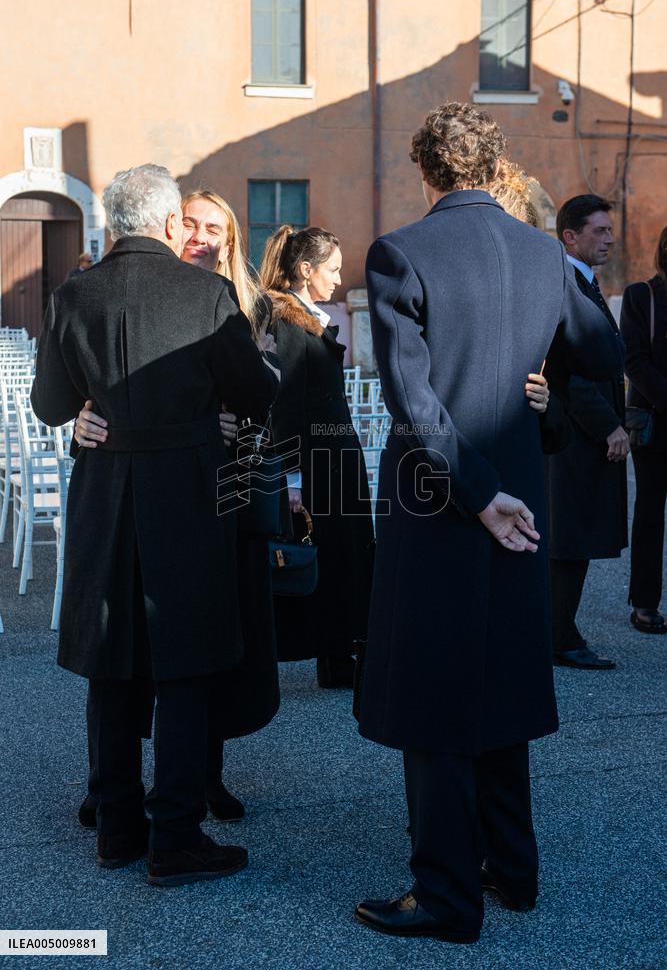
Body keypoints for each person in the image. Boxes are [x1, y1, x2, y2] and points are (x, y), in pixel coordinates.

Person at [355, 102, 623, 943]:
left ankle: (445, 896)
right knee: (502, 679)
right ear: (492, 165)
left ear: (426, 169)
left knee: (434, 694)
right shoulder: (546, 254)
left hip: (441, 503)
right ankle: (512, 868)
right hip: (519, 497)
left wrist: (473, 494)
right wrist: (537, 380)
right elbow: (604, 353)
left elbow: (412, 402)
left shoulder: (400, 251)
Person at [31, 164, 277, 886]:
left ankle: (115, 826)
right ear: (170, 223)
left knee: (111, 661)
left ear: (112, 221)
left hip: (105, 493)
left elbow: (50, 404)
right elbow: (255, 391)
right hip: (189, 494)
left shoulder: (73, 294)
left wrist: (89, 410)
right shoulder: (205, 293)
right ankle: (175, 835)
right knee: (186, 663)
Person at [260, 226, 375, 688]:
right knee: (330, 556)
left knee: (343, 556)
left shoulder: (307, 317)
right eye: (333, 269)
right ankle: (336, 657)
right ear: (306, 270)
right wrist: (292, 478)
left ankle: (341, 655)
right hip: (317, 464)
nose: (340, 278)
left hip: (334, 459)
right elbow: (285, 404)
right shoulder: (288, 321)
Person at [546, 195, 628, 670]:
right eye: (599, 230)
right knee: (569, 537)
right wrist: (609, 426)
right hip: (573, 434)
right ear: (570, 236)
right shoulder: (567, 285)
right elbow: (571, 372)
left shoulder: (584, 282)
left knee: (572, 536)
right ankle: (559, 635)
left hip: (578, 432)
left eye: (609, 230)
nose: (610, 239)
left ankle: (559, 629)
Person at [620, 225, 667, 634]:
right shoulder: (641, 296)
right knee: (650, 514)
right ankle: (645, 603)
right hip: (655, 423)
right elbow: (633, 361)